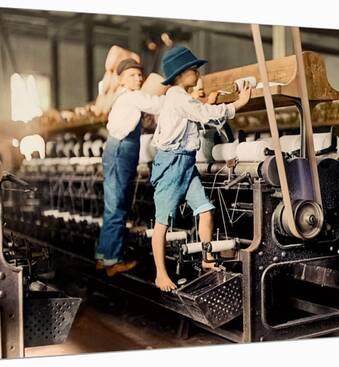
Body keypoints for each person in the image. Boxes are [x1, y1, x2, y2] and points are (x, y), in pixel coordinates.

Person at [150, 46, 251, 291]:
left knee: (205, 209)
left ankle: (206, 257)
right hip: (172, 164)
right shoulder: (176, 96)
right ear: (180, 74)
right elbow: (202, 113)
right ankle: (160, 274)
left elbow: (196, 110)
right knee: (162, 222)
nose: (197, 73)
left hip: (186, 162)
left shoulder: (180, 96)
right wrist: (238, 104)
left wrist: (207, 101)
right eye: (193, 70)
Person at [96, 58, 165, 277]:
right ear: (122, 79)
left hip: (116, 150)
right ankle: (113, 261)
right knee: (117, 205)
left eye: (139, 74)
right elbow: (158, 105)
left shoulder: (120, 96)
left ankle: (104, 256)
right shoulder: (132, 96)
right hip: (121, 151)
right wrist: (180, 95)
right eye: (132, 75)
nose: (139, 78)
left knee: (113, 205)